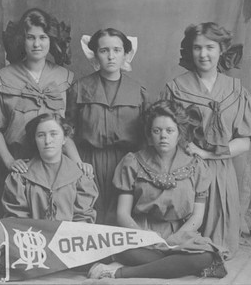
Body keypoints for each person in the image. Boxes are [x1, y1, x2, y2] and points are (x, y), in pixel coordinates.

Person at [88, 100, 227, 279]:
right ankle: (171, 265)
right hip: (140, 232)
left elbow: (197, 216)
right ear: (149, 134)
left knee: (205, 256)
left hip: (180, 232)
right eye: (157, 131)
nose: (163, 136)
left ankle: (118, 272)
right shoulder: (133, 162)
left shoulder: (196, 165)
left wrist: (176, 239)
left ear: (179, 134)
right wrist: (146, 237)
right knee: (126, 251)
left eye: (169, 131)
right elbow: (122, 214)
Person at [160, 22, 251, 258]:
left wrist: (207, 153)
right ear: (189, 51)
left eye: (210, 47)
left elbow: (244, 141)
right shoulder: (175, 88)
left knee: (219, 248)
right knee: (182, 246)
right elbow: (163, 133)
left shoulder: (236, 90)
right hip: (184, 171)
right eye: (197, 48)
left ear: (222, 49)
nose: (203, 54)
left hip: (221, 171)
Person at [0, 8, 91, 217]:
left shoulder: (63, 78)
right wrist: (9, 161)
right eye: (30, 38)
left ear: (52, 40)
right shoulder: (2, 78)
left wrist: (77, 164)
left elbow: (67, 130)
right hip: (17, 165)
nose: (37, 44)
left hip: (55, 166)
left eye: (43, 37)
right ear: (22, 40)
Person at [66, 28, 150, 224]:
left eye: (117, 50)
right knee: (89, 217)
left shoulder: (139, 92)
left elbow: (148, 139)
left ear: (126, 54)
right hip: (88, 162)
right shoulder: (79, 88)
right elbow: (66, 132)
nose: (111, 56)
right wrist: (78, 164)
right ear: (95, 54)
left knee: (121, 220)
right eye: (104, 51)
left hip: (127, 164)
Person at [2, 113, 98, 222]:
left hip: (67, 237)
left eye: (54, 134)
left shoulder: (80, 177)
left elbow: (83, 219)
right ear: (35, 139)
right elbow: (17, 220)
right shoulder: (20, 177)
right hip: (33, 236)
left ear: (64, 138)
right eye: (41, 135)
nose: (47, 141)